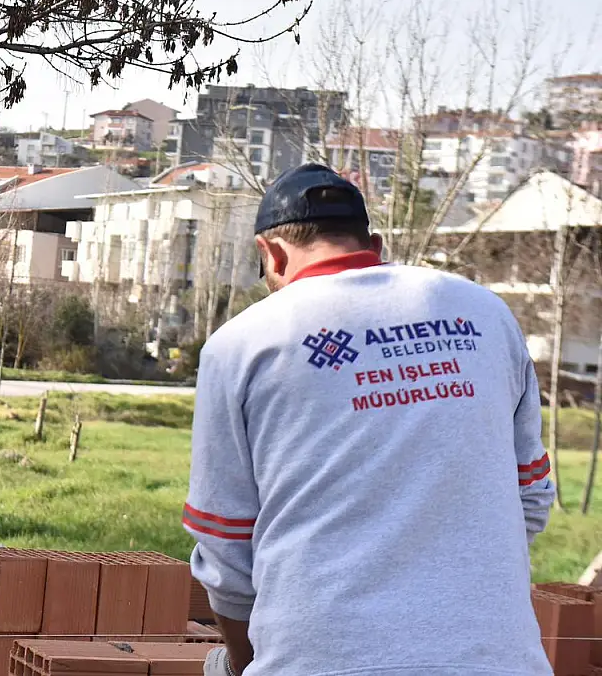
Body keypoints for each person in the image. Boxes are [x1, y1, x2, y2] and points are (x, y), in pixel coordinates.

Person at [188, 164, 555, 676]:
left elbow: (226, 548)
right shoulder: (485, 313)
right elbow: (532, 496)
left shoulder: (242, 342)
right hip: (497, 662)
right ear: (374, 244)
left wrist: (242, 666)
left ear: (270, 253)